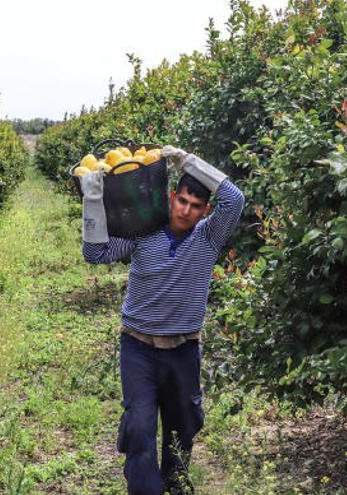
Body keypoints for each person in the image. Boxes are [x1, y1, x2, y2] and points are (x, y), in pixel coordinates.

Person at [80, 145, 245, 495]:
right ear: (172, 197)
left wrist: (189, 162)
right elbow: (95, 253)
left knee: (181, 429)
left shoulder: (208, 238)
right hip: (138, 347)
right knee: (139, 429)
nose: (186, 211)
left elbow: (235, 199)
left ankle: (176, 483)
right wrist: (92, 198)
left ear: (205, 211)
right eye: (182, 200)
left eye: (196, 206)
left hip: (183, 350)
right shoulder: (145, 232)